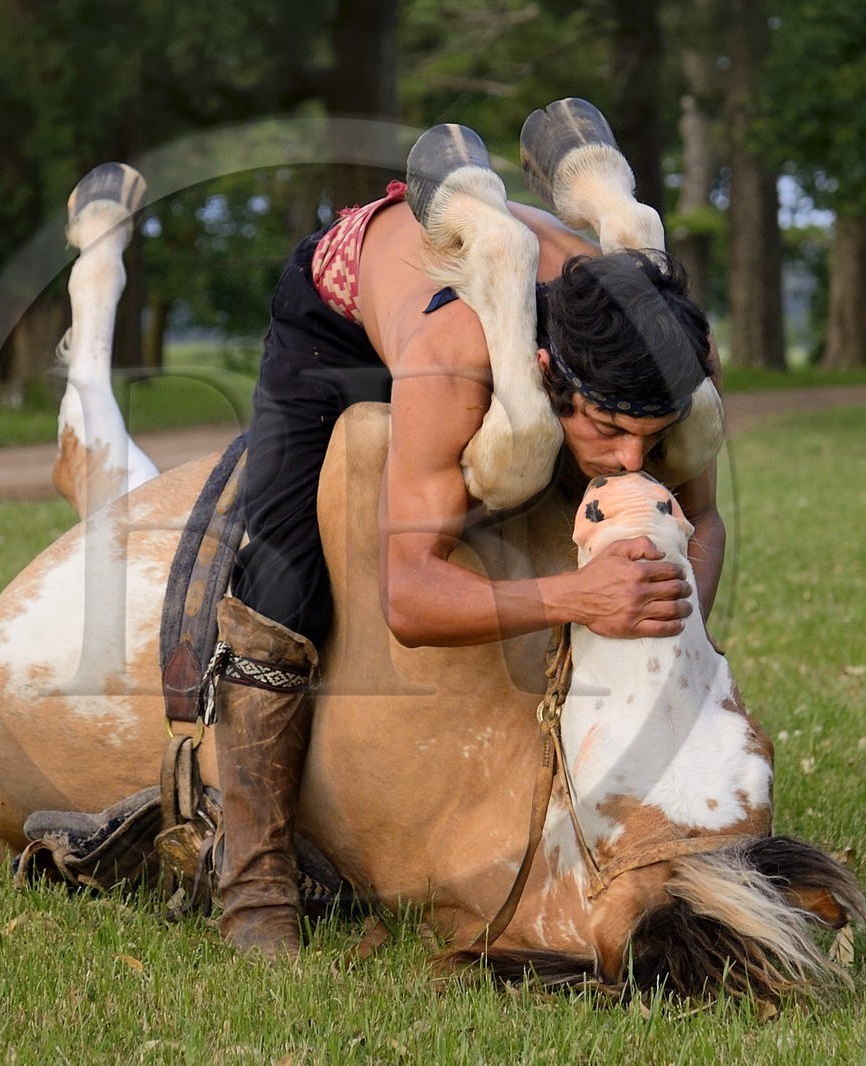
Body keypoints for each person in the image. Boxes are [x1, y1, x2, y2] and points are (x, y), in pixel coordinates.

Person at [210, 117, 723, 960]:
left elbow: (704, 521)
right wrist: (576, 596)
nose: (633, 460)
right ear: (554, 375)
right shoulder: (453, 356)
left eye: (652, 433)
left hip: (530, 314)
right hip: (339, 322)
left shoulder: (677, 348)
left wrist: (684, 614)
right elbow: (409, 594)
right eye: (608, 430)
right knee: (280, 581)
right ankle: (255, 879)